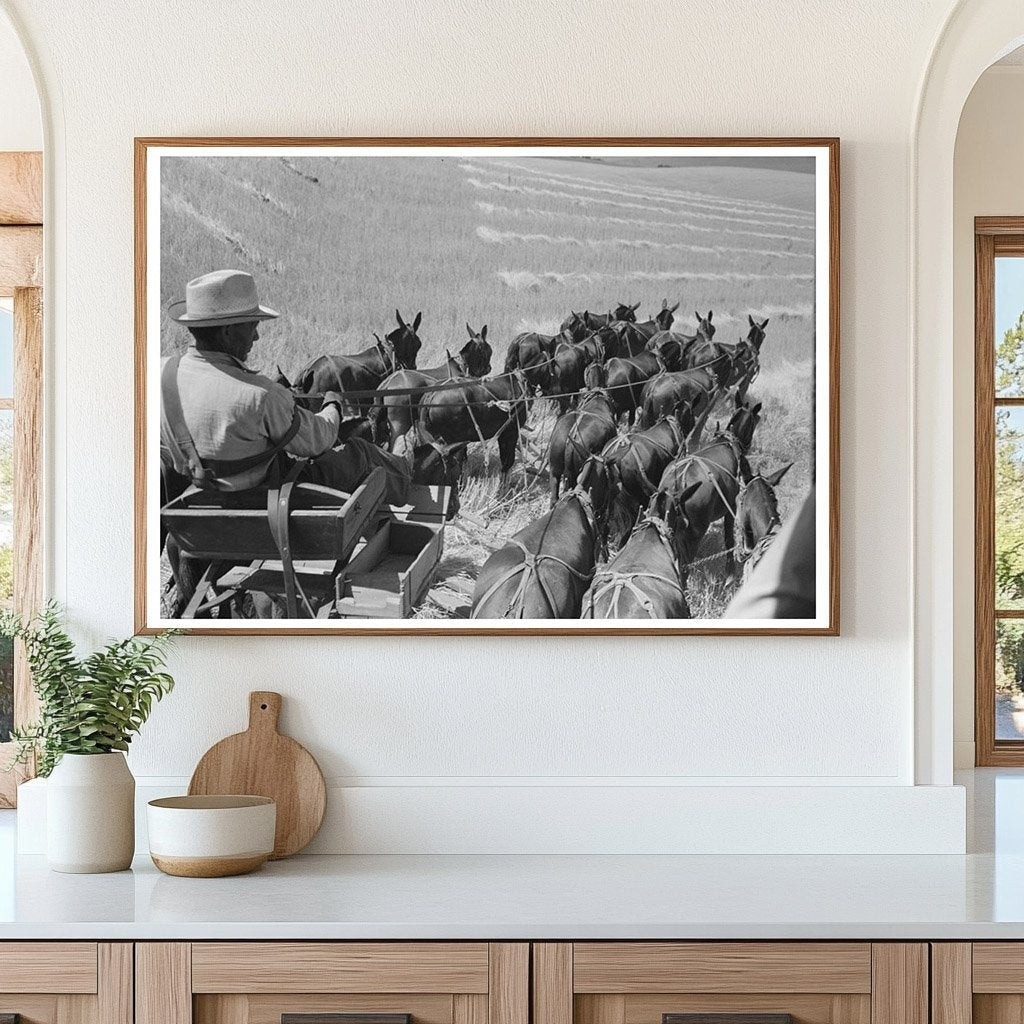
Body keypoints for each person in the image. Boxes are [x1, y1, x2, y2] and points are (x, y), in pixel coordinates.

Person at [160, 269, 411, 505]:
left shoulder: (161, 374)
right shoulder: (260, 395)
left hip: (198, 498)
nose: (256, 337)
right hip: (263, 499)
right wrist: (333, 406)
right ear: (227, 332)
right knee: (360, 453)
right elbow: (319, 440)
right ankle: (407, 471)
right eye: (252, 326)